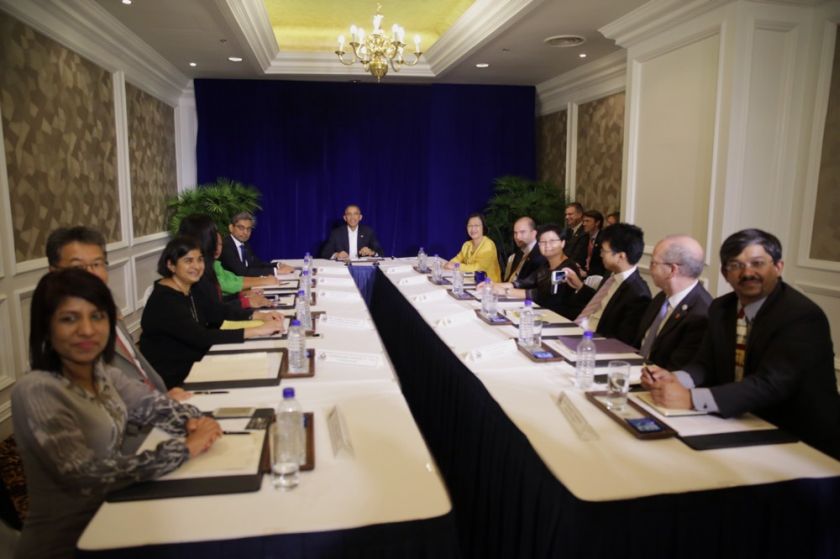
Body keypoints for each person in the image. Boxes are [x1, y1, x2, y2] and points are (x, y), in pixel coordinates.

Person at [11, 269, 222, 559]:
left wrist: (191, 421)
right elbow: (89, 476)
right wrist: (184, 448)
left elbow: (156, 407)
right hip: (70, 542)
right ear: (46, 327)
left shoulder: (104, 374)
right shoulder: (37, 390)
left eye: (97, 316)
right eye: (69, 319)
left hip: (120, 515)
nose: (87, 329)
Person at [642, 229, 840, 460]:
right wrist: (675, 378)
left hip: (799, 438)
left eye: (758, 263)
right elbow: (705, 363)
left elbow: (771, 384)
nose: (748, 273)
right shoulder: (721, 308)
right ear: (725, 273)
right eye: (735, 265)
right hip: (739, 420)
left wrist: (690, 399)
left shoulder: (801, 316)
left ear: (778, 267)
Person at [45, 226, 190, 401]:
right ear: (53, 272)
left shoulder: (107, 304)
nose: (91, 274)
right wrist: (160, 405)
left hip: (157, 398)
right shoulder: (58, 332)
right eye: (78, 266)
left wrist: (164, 398)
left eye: (97, 264)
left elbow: (134, 364)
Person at [140, 236, 284, 388]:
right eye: (188, 261)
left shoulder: (188, 287)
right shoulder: (165, 300)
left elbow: (216, 311)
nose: (197, 266)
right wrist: (257, 330)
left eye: (200, 259)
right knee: (260, 374)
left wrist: (258, 315)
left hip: (200, 360)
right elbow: (202, 337)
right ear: (171, 265)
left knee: (267, 363)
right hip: (178, 378)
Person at [178, 214, 285, 325]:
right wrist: (247, 303)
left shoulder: (241, 247)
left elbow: (215, 306)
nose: (217, 246)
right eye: (213, 236)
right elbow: (214, 314)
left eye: (248, 229)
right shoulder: (200, 273)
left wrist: (243, 296)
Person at [565, 223, 651, 345]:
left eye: (604, 251)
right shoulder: (610, 275)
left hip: (596, 346)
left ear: (620, 256)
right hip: (579, 335)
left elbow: (621, 342)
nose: (600, 254)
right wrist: (580, 286)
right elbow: (596, 303)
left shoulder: (638, 294)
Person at [635, 235, 712, 370]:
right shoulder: (662, 297)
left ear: (672, 270)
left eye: (653, 263)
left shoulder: (700, 315)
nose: (649, 268)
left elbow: (676, 371)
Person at [494, 224, 581, 320]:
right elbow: (524, 282)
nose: (547, 246)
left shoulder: (567, 268)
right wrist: (494, 285)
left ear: (563, 243)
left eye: (552, 241)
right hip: (543, 313)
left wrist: (506, 291)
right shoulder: (546, 265)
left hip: (561, 320)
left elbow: (545, 296)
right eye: (543, 242)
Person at [219, 211, 295, 277]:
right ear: (231, 228)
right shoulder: (226, 246)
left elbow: (256, 264)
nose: (246, 232)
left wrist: (277, 265)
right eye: (241, 228)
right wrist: (276, 271)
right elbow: (242, 272)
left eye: (249, 229)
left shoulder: (245, 245)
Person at [444, 213, 501, 282]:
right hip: (470, 281)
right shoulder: (467, 244)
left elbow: (478, 268)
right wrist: (449, 263)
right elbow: (458, 258)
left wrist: (456, 266)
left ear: (483, 227)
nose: (473, 229)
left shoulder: (488, 245)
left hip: (489, 286)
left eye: (476, 225)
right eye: (470, 226)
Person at [502, 216, 546, 283]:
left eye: (522, 232)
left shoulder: (541, 255)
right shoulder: (517, 255)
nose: (517, 237)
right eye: (515, 233)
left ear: (534, 233)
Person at [580, 210, 605, 278]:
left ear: (597, 223)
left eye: (587, 221)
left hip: (598, 277)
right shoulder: (583, 237)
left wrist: (587, 273)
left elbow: (602, 264)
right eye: (583, 221)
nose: (584, 224)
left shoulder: (604, 239)